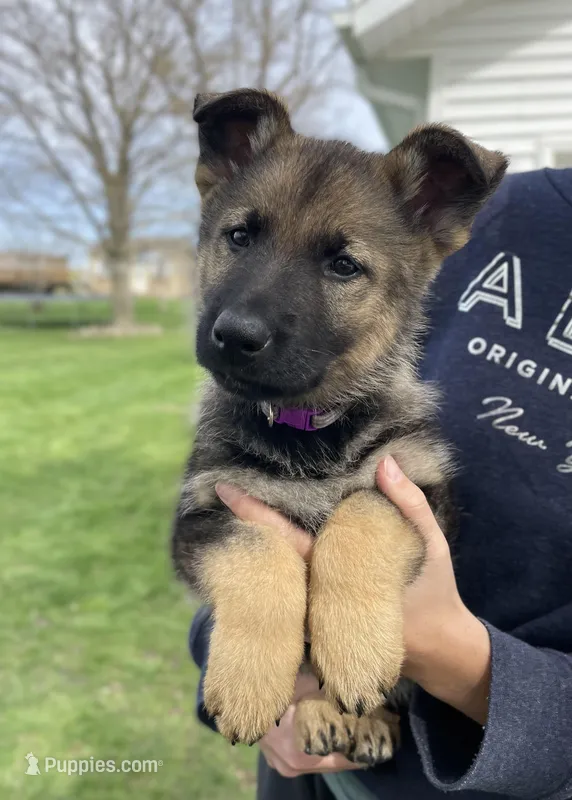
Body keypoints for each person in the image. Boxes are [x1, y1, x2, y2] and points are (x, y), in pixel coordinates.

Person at [189, 166, 572, 799]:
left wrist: (452, 655)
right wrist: (261, 654)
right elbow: (254, 489)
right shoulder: (504, 212)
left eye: (341, 266)